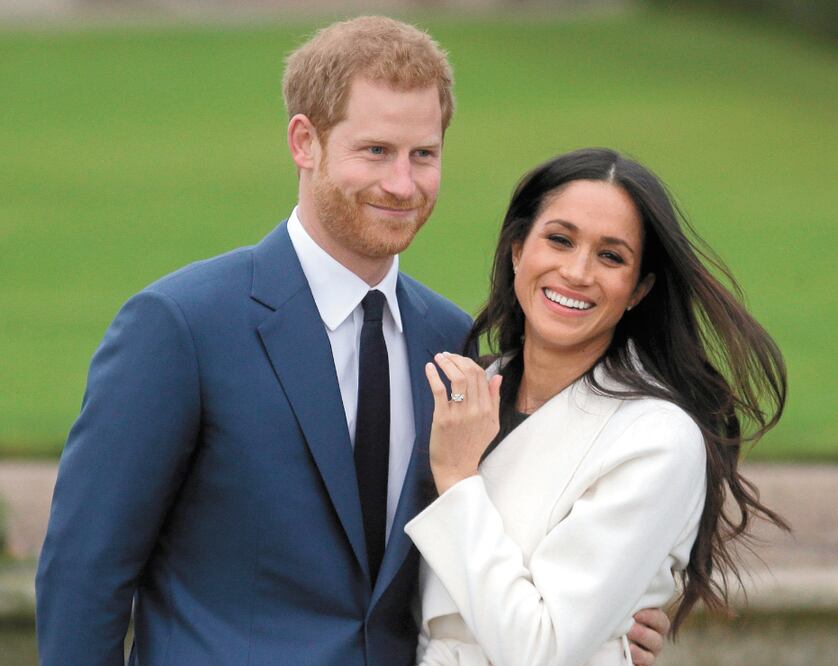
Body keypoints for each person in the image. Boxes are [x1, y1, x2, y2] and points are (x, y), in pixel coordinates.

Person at [35, 17, 666, 666]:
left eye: (423, 155)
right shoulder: (180, 327)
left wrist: (607, 624)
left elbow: (496, 541)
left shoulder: (455, 345)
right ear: (304, 143)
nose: (402, 184)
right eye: (376, 152)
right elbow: (84, 575)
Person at [403, 147, 789, 665]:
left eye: (612, 257)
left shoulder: (655, 438)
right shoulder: (469, 391)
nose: (577, 271)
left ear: (638, 289)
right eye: (559, 240)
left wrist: (457, 480)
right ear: (518, 250)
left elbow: (542, 651)